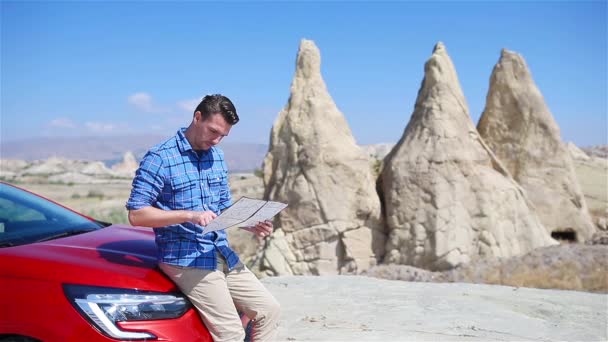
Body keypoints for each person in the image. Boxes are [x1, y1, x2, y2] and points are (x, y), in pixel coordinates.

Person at [126, 94, 280, 342]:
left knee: (269, 310)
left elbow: (222, 207)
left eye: (223, 136)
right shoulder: (160, 158)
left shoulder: (216, 156)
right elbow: (137, 214)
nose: (217, 140)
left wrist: (248, 222)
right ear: (197, 117)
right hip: (184, 258)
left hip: (219, 251)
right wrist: (189, 215)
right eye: (213, 131)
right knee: (231, 334)